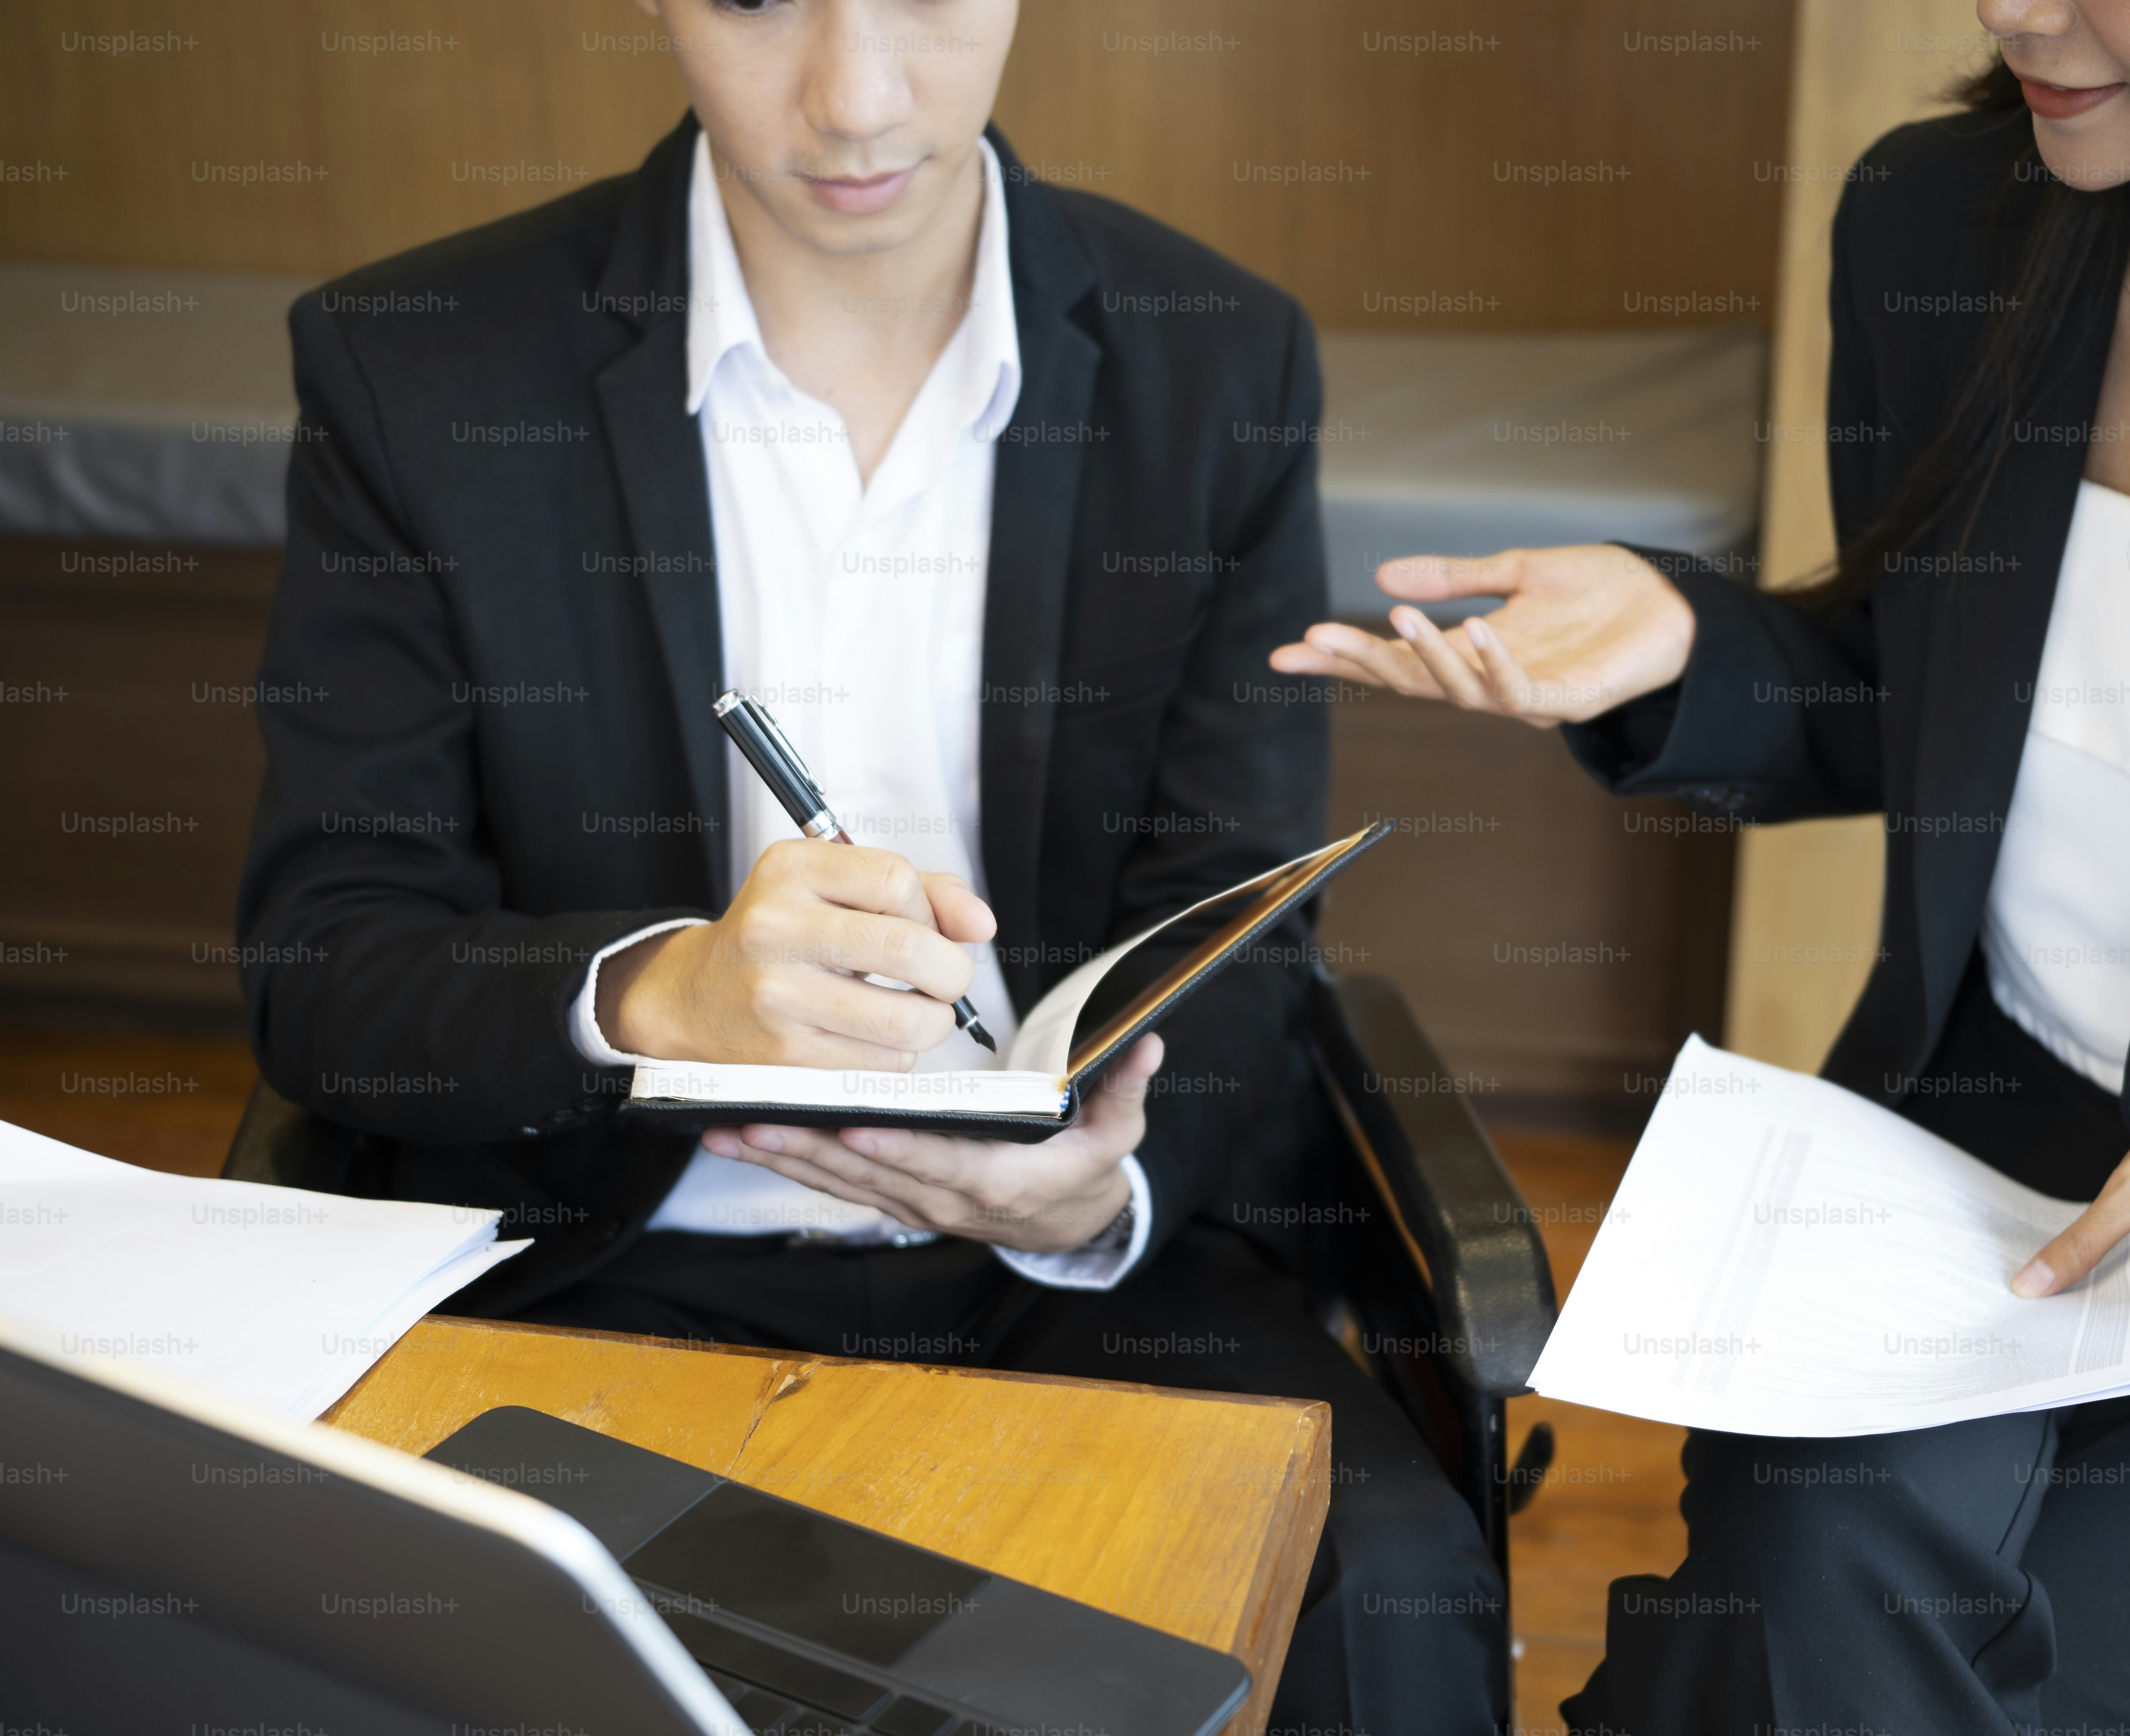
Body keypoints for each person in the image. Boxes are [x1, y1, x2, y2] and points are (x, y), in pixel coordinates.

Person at [1274, 1, 2130, 1729]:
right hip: (1990, 1187)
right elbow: (1978, 704)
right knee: (1816, 1581)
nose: (2014, 10)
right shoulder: (1946, 222)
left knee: (1844, 1647)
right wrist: (1689, 640)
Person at [234, 1, 1504, 1729]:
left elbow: (1240, 917)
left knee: (1398, 1591)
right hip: (584, 1265)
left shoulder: (1221, 360)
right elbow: (328, 964)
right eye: (760, 1)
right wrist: (659, 989)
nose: (855, 100)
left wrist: (1099, 1194)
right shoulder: (416, 362)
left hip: (1070, 1269)